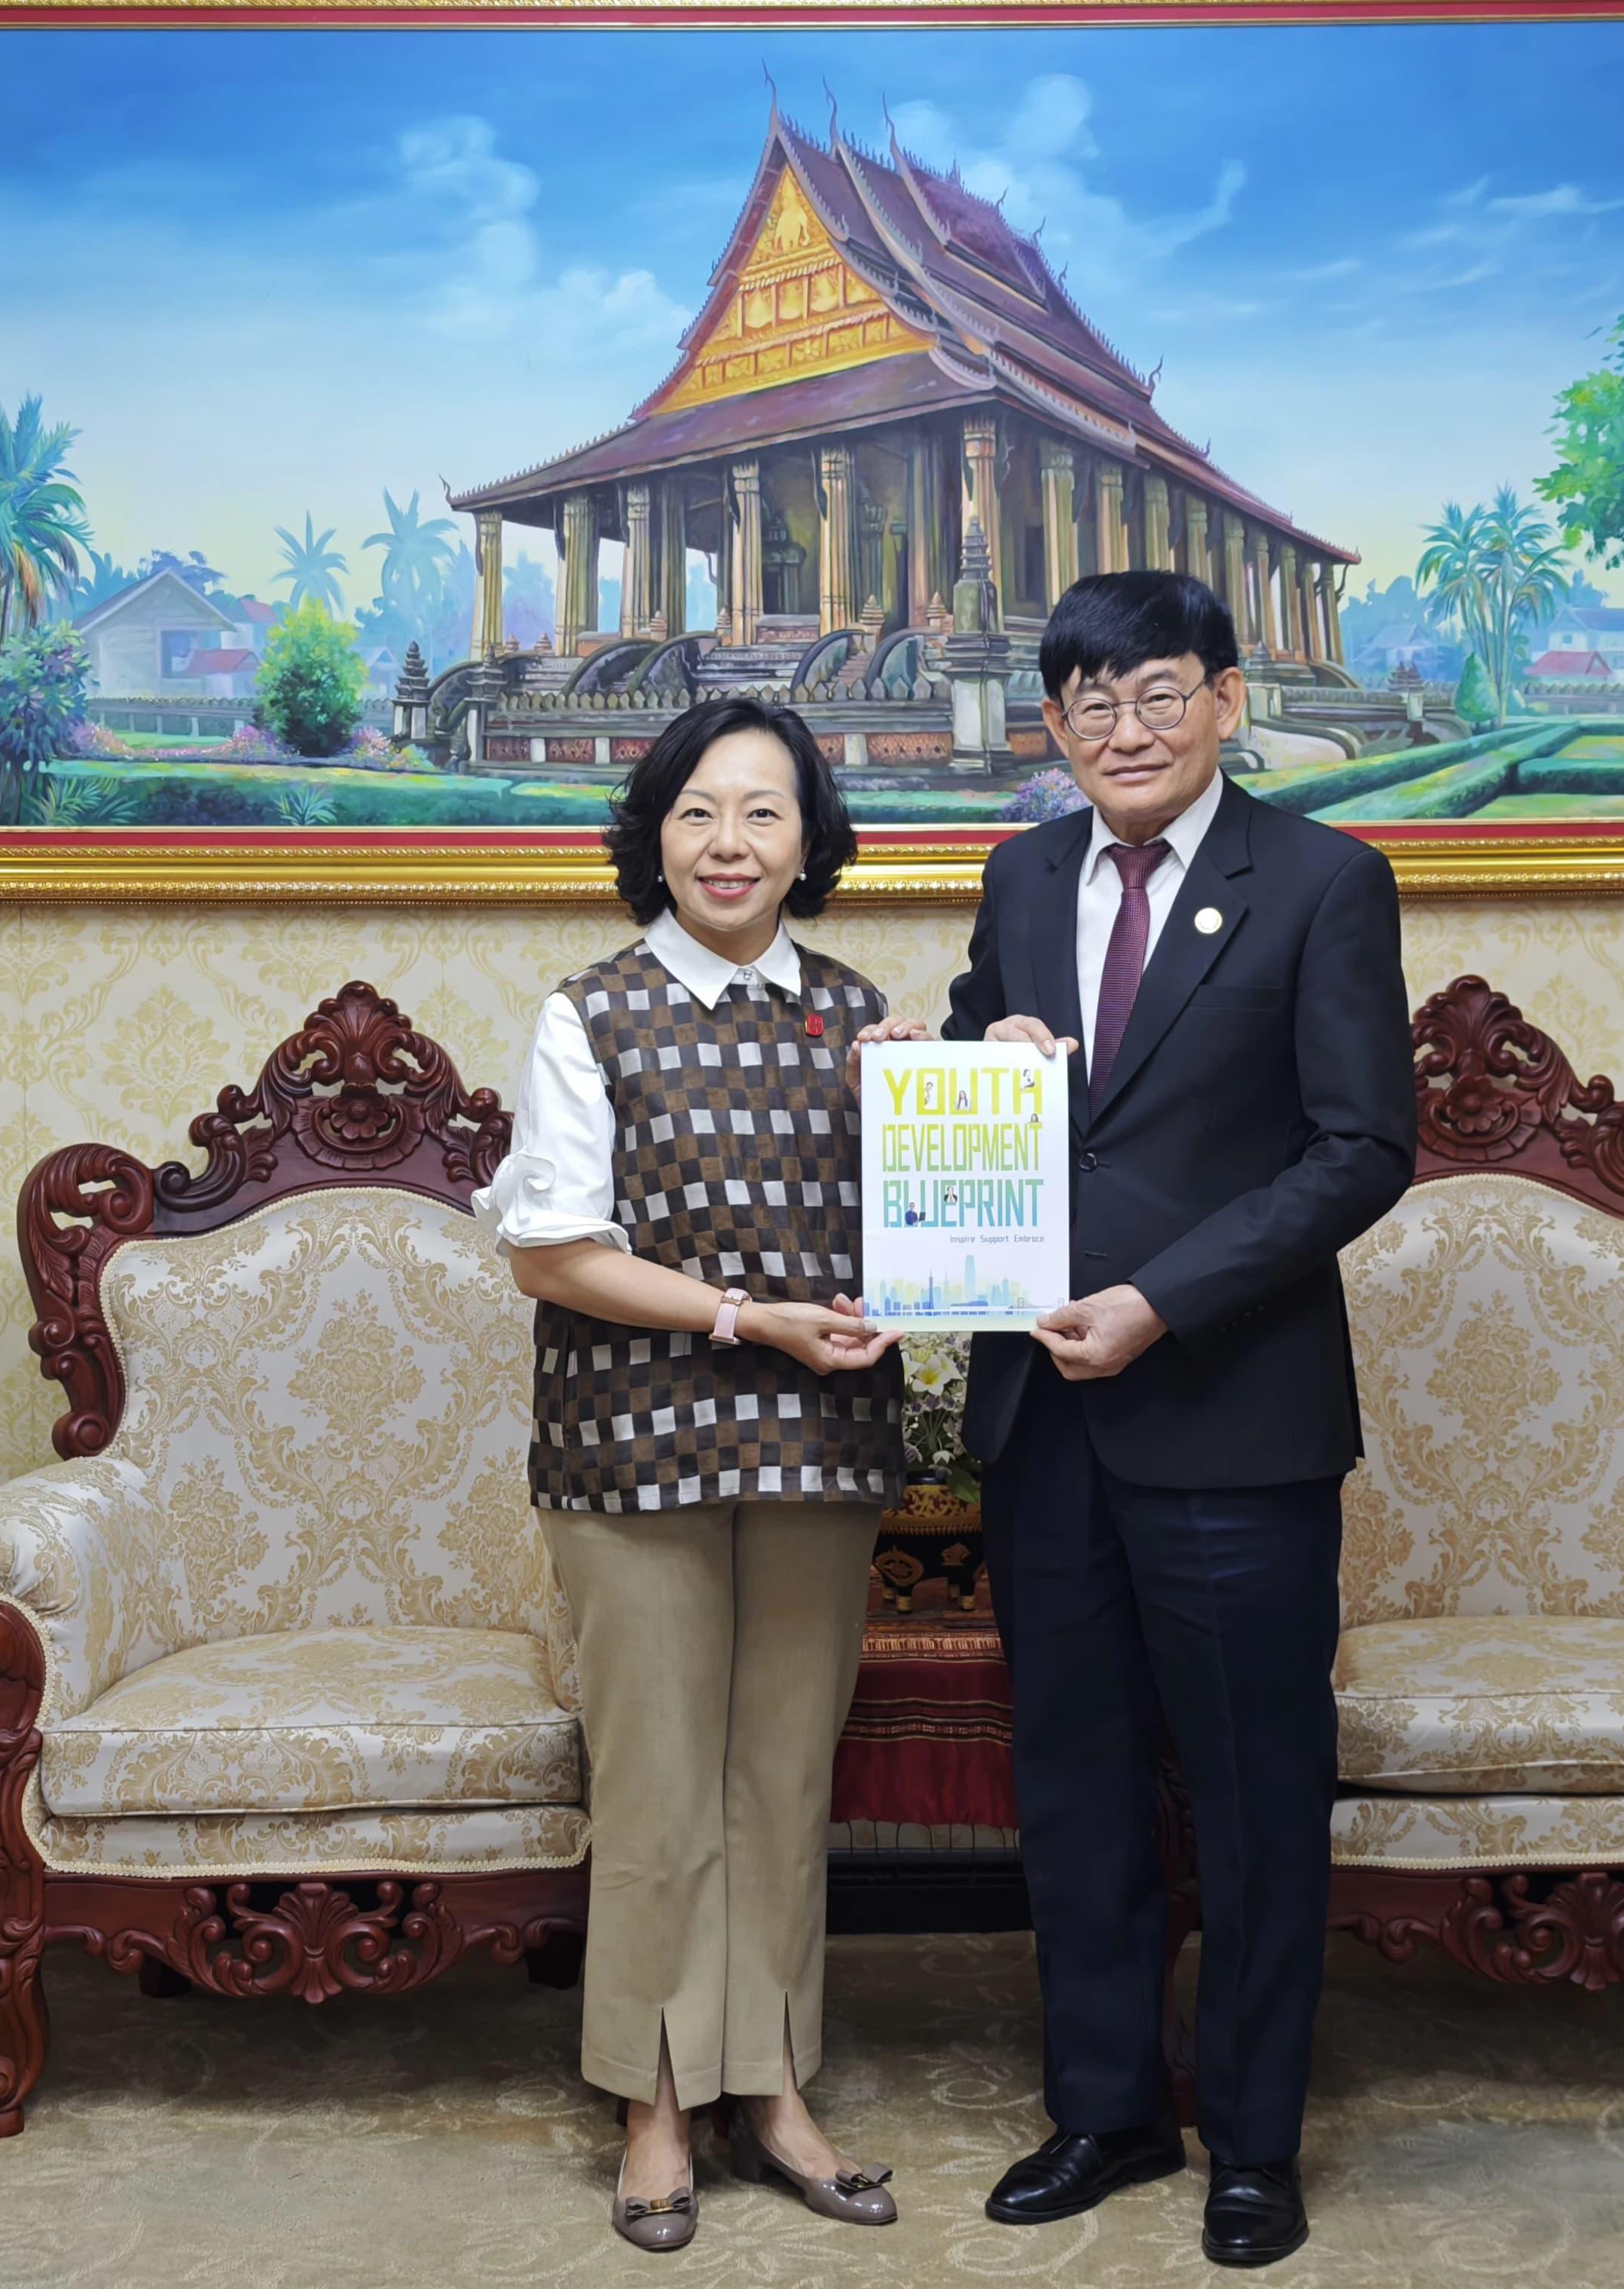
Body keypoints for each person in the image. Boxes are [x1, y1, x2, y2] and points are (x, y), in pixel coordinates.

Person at [940, 569, 1416, 2267]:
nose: (1122, 728)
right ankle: (1107, 2106)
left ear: (1226, 698)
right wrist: (980, 1051)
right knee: (1069, 1784)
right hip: (1042, 1414)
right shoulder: (1014, 872)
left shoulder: (1323, 881)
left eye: (1157, 693)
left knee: (1252, 1787)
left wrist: (1163, 1299)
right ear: (1052, 724)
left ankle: (1254, 2137)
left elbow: (1361, 1147)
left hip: (1232, 1409)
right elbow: (969, 1102)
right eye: (1088, 701)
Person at [482, 694, 913, 2254]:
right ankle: (659, 2097)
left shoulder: (865, 1015)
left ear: (812, 842)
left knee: (785, 1777)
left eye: (764, 813)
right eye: (698, 812)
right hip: (629, 1442)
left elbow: (928, 1233)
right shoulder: (586, 1012)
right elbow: (551, 1249)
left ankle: (774, 2081)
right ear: (652, 833)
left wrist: (951, 1105)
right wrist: (746, 1315)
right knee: (660, 1778)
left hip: (824, 1439)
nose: (730, 843)